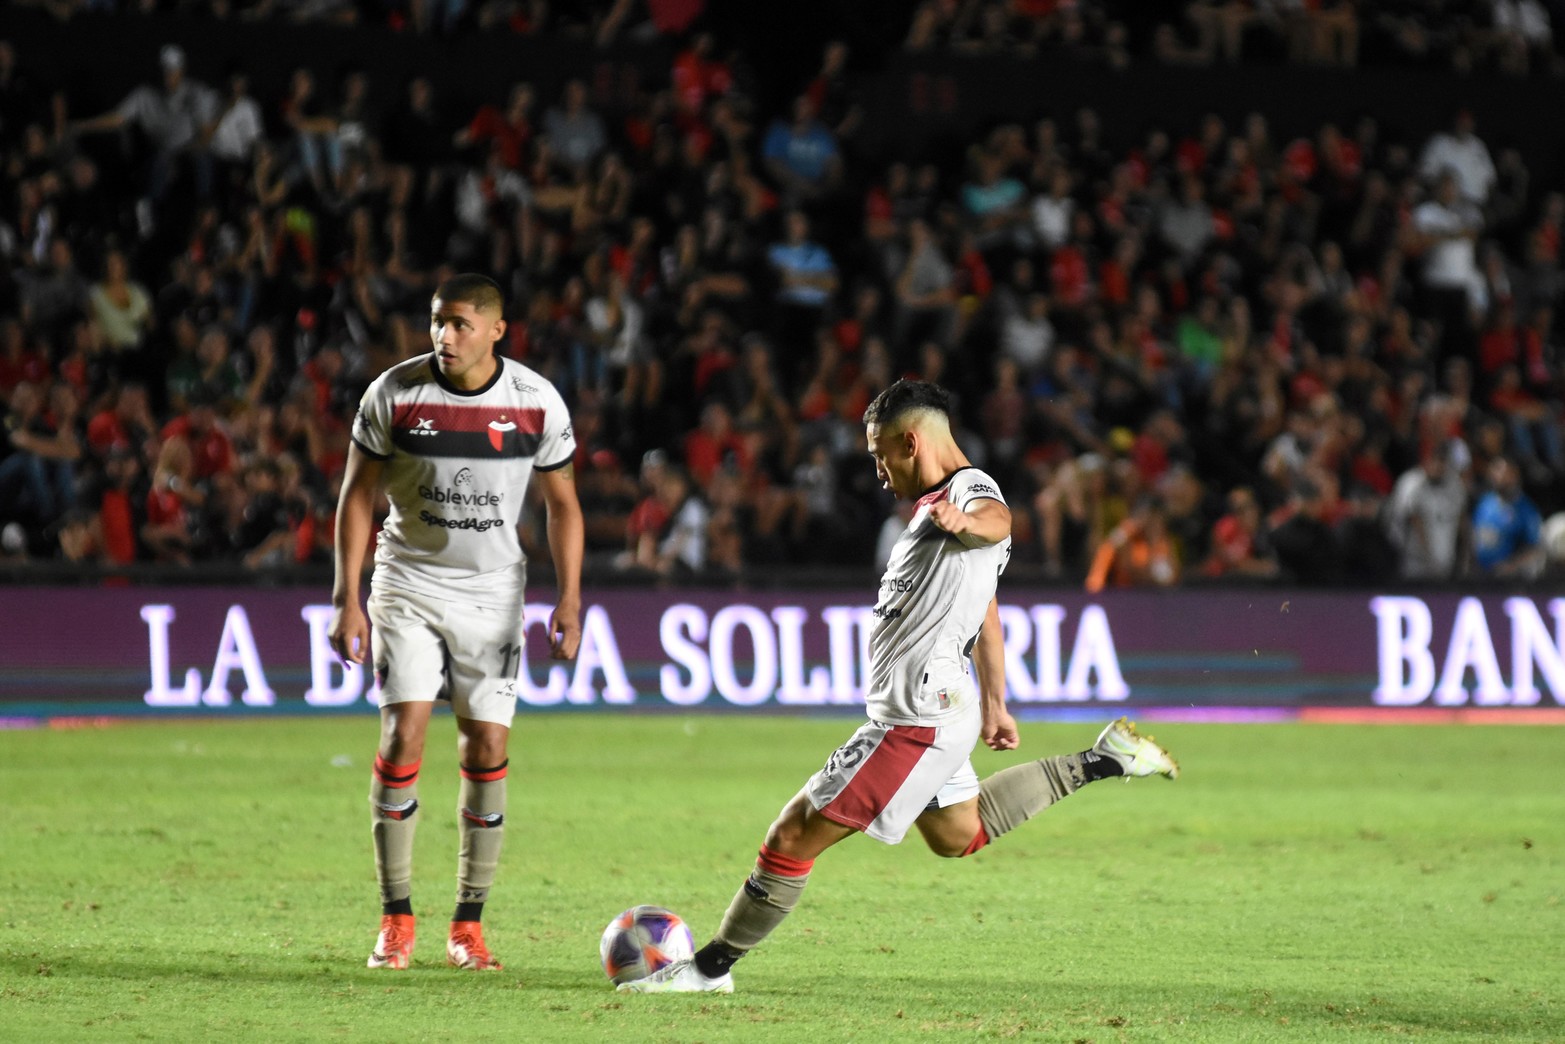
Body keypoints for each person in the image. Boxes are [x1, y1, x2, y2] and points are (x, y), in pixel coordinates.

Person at [617, 379, 1178, 995]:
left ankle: (706, 971)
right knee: (957, 832)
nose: (879, 471)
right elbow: (984, 601)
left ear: (912, 441)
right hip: (947, 701)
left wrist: (962, 520)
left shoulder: (968, 492)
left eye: (881, 454)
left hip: (916, 717)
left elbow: (997, 518)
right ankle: (1101, 760)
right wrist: (995, 700)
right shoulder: (937, 507)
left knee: (793, 834)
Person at [328, 273, 584, 973]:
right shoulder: (394, 393)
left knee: (484, 745)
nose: (445, 335)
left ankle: (467, 924)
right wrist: (345, 597)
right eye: (439, 321)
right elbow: (356, 498)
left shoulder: (535, 402)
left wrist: (569, 598)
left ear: (498, 330)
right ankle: (396, 918)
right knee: (402, 729)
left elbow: (563, 505)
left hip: (494, 593)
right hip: (407, 580)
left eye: (462, 324)